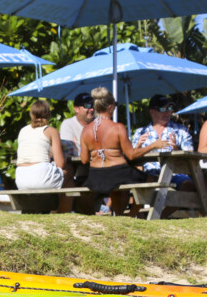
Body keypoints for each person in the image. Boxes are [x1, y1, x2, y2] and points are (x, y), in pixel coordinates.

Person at [80, 87, 170, 215]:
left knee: (124, 183)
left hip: (95, 176)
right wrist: (154, 145)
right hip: (117, 173)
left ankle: (120, 214)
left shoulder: (86, 130)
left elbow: (84, 159)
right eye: (116, 105)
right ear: (110, 107)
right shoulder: (118, 128)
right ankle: (131, 215)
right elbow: (131, 155)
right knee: (152, 178)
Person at [15, 100, 66, 190]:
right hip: (41, 175)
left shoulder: (22, 130)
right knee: (67, 174)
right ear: (49, 115)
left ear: (31, 114)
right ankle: (62, 204)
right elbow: (60, 164)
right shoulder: (51, 131)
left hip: (21, 178)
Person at [60, 92, 95, 157]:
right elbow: (69, 151)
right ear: (76, 109)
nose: (92, 109)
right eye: (87, 106)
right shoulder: (68, 124)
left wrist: (78, 146)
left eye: (93, 105)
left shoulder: (99, 123)